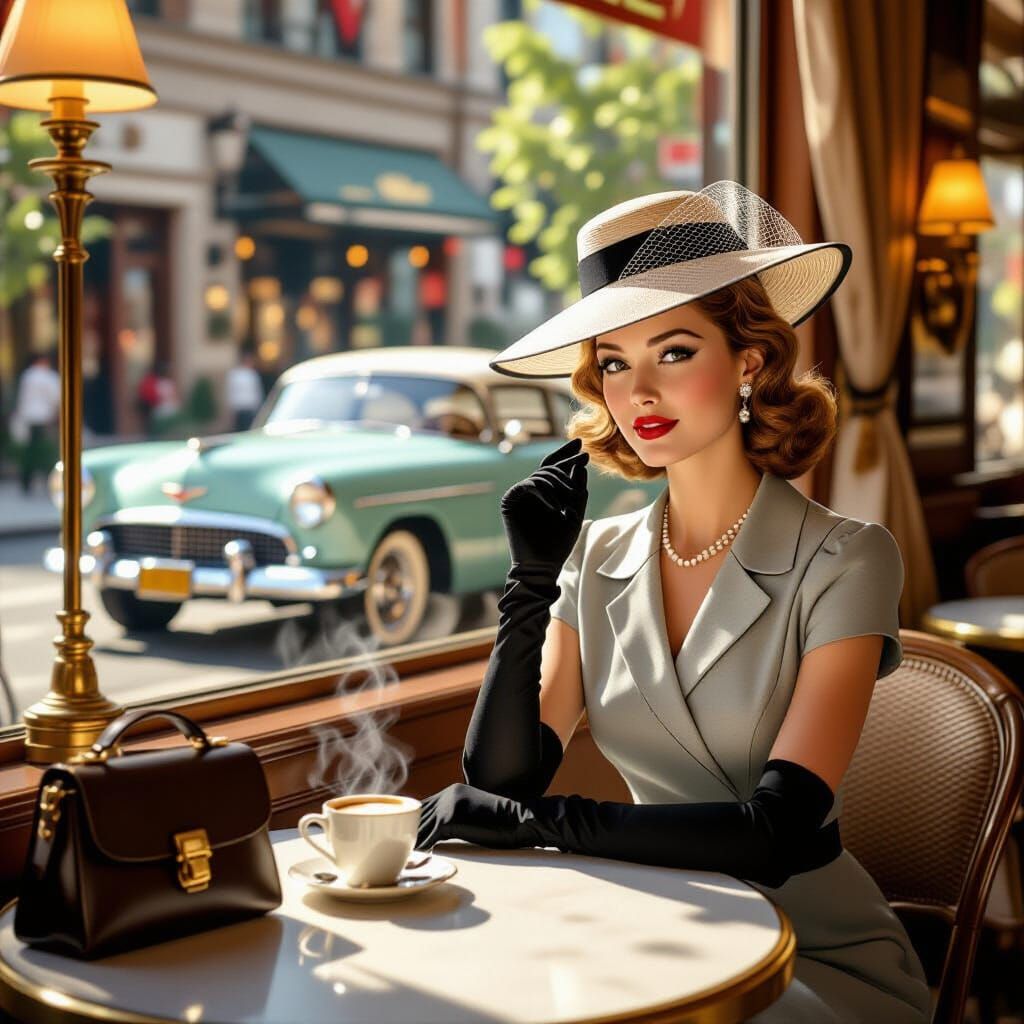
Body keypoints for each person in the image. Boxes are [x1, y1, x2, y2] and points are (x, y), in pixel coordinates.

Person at [414, 183, 932, 1023]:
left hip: (819, 956)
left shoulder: (847, 558)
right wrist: (530, 582)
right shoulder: (599, 557)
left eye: (675, 351)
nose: (638, 390)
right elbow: (503, 777)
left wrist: (544, 824)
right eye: (614, 362)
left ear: (750, 360)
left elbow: (776, 832)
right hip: (653, 927)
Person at [12, 352, 61, 495]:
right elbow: (56, 397)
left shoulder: (27, 376)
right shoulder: (48, 376)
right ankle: (51, 480)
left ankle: (26, 482)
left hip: (29, 418)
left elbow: (22, 398)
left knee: (30, 452)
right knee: (47, 452)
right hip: (44, 419)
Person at [225, 349, 264, 431]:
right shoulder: (236, 374)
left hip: (248, 407)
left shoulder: (251, 374)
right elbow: (232, 391)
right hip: (241, 407)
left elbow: (256, 391)